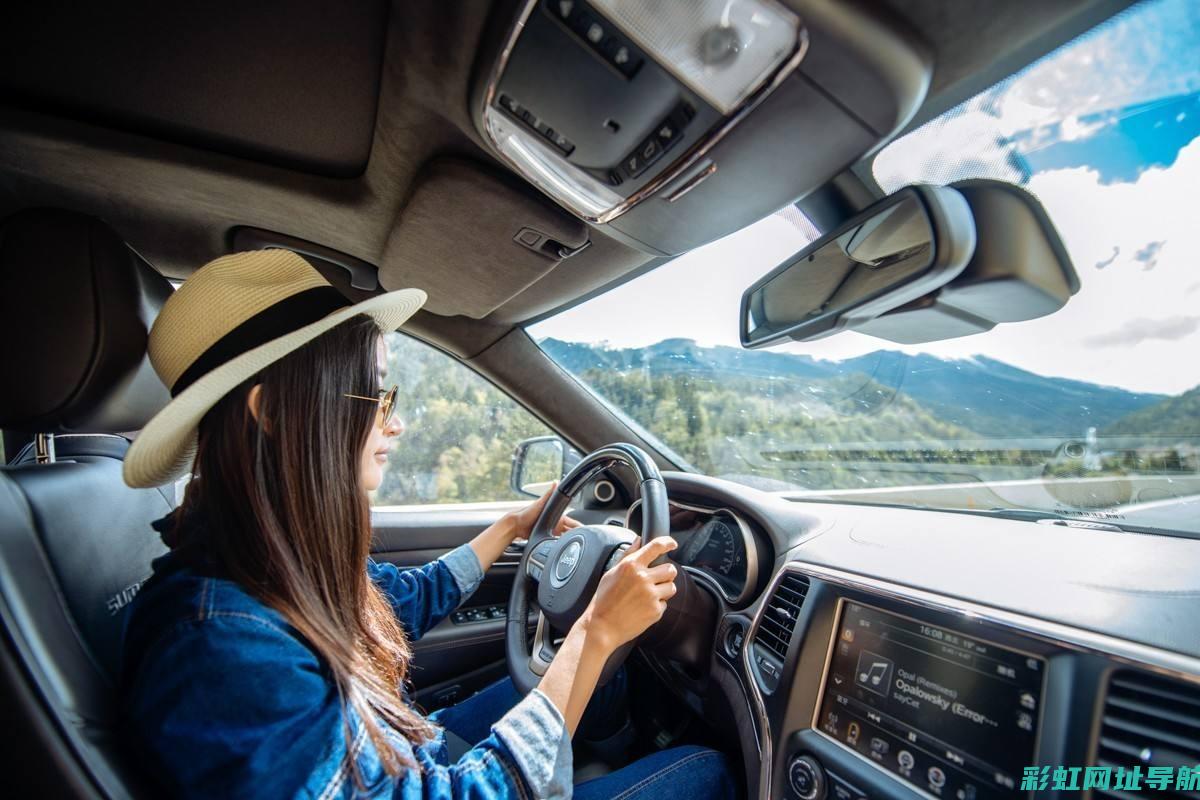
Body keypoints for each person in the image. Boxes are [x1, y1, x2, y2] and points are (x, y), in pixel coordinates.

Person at [119, 250, 737, 799]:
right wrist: (595, 632)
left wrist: (511, 528)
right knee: (705, 770)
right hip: (422, 775)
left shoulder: (260, 559)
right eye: (375, 396)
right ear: (275, 412)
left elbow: (385, 605)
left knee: (600, 685)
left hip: (397, 751)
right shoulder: (220, 650)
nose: (395, 424)